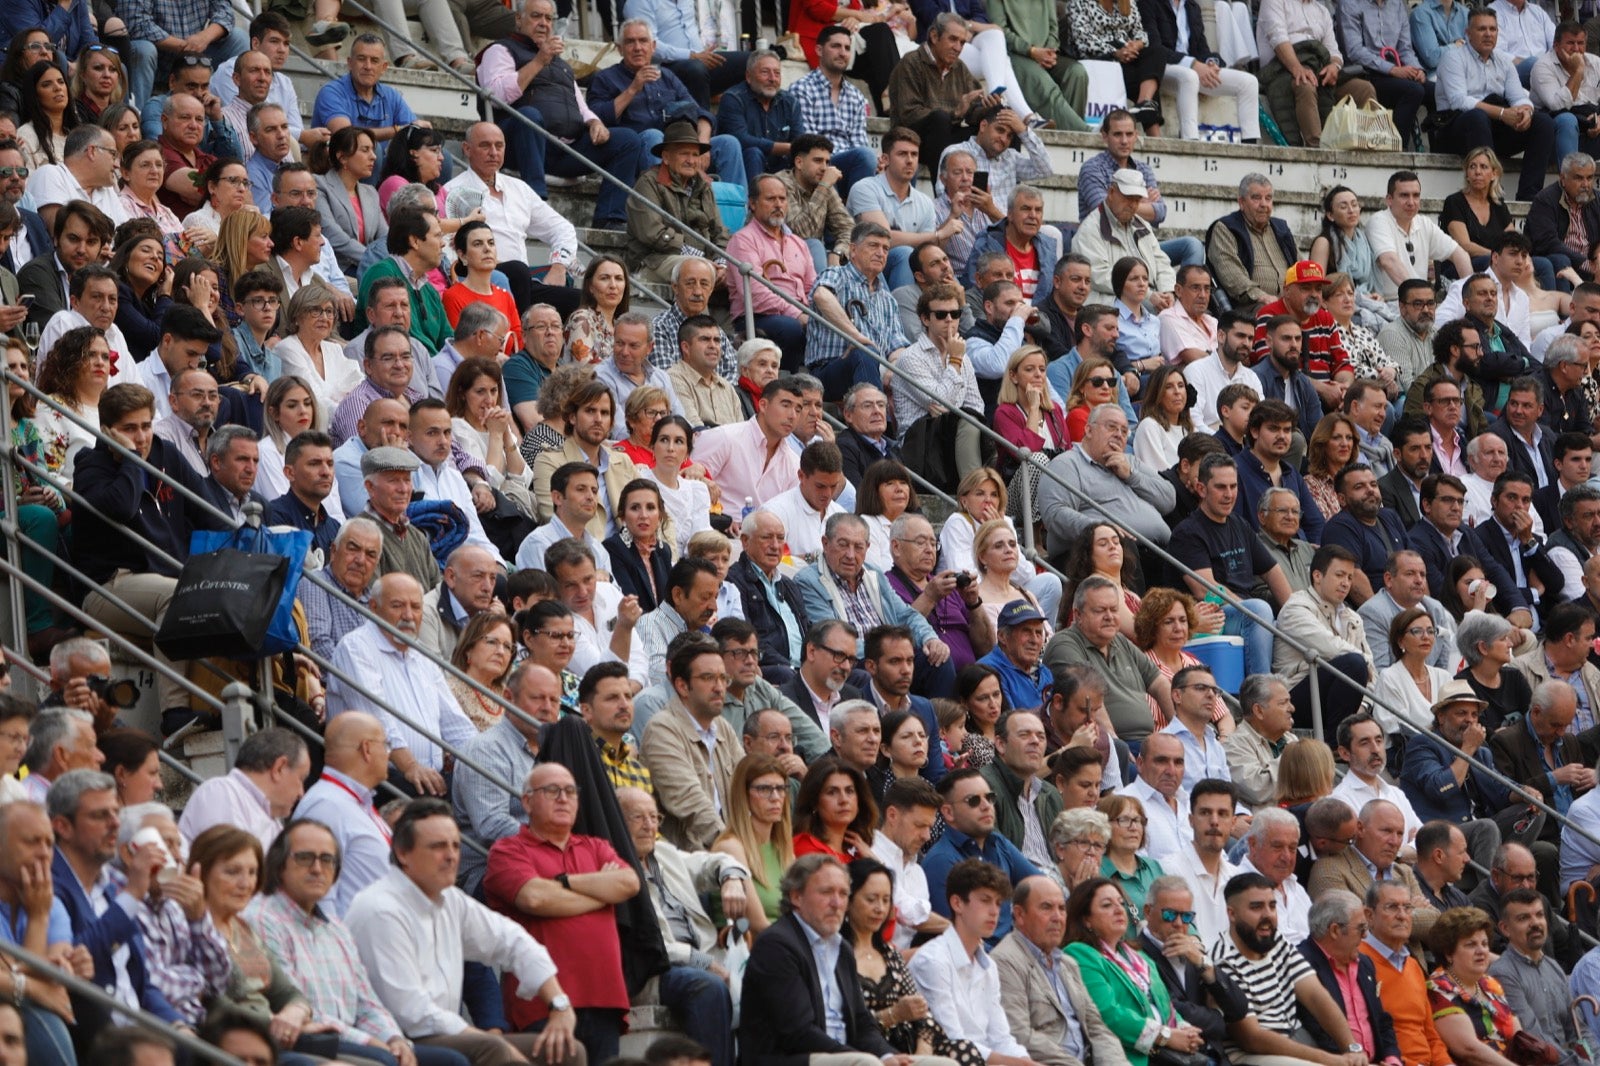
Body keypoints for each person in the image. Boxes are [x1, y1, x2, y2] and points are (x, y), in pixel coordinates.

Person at [345, 798, 585, 1066]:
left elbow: (513, 940)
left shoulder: (450, 899)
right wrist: (490, 1040)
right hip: (396, 1041)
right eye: (438, 846)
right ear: (402, 853)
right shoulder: (380, 908)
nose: (451, 856)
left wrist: (559, 1005)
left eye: (456, 846)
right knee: (492, 1050)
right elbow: (412, 1012)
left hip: (446, 1034)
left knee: (567, 1050)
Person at [249, 819, 472, 1066]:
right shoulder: (263, 920)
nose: (316, 868)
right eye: (304, 858)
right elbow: (298, 1006)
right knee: (382, 1060)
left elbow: (367, 1003)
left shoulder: (336, 929)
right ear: (280, 865)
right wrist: (370, 1042)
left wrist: (394, 1038)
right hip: (306, 1040)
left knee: (451, 1062)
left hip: (351, 1039)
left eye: (327, 860)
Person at [1059, 877, 1204, 1066]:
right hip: (1125, 1057)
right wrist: (1165, 1036)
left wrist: (1185, 1029)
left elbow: (1165, 1005)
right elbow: (1106, 1013)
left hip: (1165, 1055)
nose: (1119, 909)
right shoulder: (1080, 953)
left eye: (1121, 903)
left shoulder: (1139, 955)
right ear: (1086, 919)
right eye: (1106, 905)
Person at [1435, 9, 1558, 202]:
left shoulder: (1503, 60)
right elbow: (1459, 101)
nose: (1488, 34)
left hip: (1491, 133)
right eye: (1482, 29)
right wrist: (1502, 113)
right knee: (1477, 116)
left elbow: (1519, 97)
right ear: (1467, 33)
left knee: (1542, 122)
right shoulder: (1453, 57)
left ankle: (1529, 195)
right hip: (1455, 130)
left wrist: (1525, 111)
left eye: (1493, 29)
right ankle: (1490, 194)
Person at [640, 635, 742, 849]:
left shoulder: (722, 727)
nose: (719, 687)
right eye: (708, 678)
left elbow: (748, 786)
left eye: (723, 678)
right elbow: (689, 801)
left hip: (728, 850)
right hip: (687, 861)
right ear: (682, 686)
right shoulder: (662, 729)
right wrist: (731, 847)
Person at [922, 769, 1043, 945]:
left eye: (990, 797)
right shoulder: (941, 861)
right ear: (948, 812)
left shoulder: (998, 842)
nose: (986, 806)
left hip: (1014, 950)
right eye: (974, 801)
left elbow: (1041, 888)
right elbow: (957, 938)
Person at [1255, 0, 1377, 148]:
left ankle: (1373, 144)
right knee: (1306, 84)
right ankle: (1317, 149)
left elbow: (1333, 50)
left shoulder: (1322, 11)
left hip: (1320, 67)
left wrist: (1334, 66)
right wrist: (1297, 68)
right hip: (1282, 69)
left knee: (1364, 89)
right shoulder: (1274, 2)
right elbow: (1278, 38)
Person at [1426, 906, 1526, 1066]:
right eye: (1471, 944)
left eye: (1485, 944)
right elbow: (1468, 1049)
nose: (1481, 951)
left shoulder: (1490, 984)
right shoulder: (1438, 987)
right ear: (1449, 953)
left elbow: (1517, 1035)